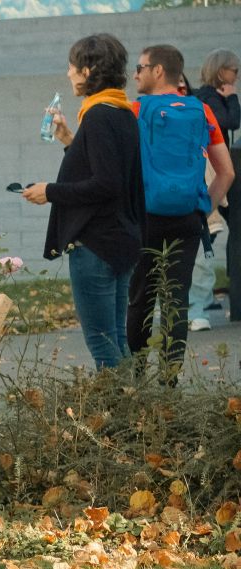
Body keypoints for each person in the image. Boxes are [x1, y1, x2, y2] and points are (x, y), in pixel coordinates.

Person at [26, 34, 143, 370]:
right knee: (117, 340)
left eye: (72, 66)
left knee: (102, 343)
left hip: (96, 245)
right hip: (119, 240)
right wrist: (68, 141)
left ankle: (122, 417)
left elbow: (106, 184)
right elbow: (106, 172)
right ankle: (138, 416)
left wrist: (49, 191)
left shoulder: (99, 116)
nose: (68, 74)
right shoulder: (119, 112)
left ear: (89, 70)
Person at [125, 44, 234, 380]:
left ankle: (137, 378)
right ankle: (170, 384)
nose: (136, 74)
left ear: (158, 70)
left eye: (141, 67)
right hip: (188, 218)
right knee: (177, 301)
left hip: (145, 217)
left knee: (140, 298)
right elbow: (226, 172)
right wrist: (203, 207)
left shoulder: (133, 111)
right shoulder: (202, 111)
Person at [189, 50, 238, 331]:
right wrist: (231, 96)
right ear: (221, 72)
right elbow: (231, 122)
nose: (236, 76)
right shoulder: (206, 99)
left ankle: (202, 301)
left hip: (215, 179)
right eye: (233, 70)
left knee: (207, 244)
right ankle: (197, 307)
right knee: (203, 243)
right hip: (211, 178)